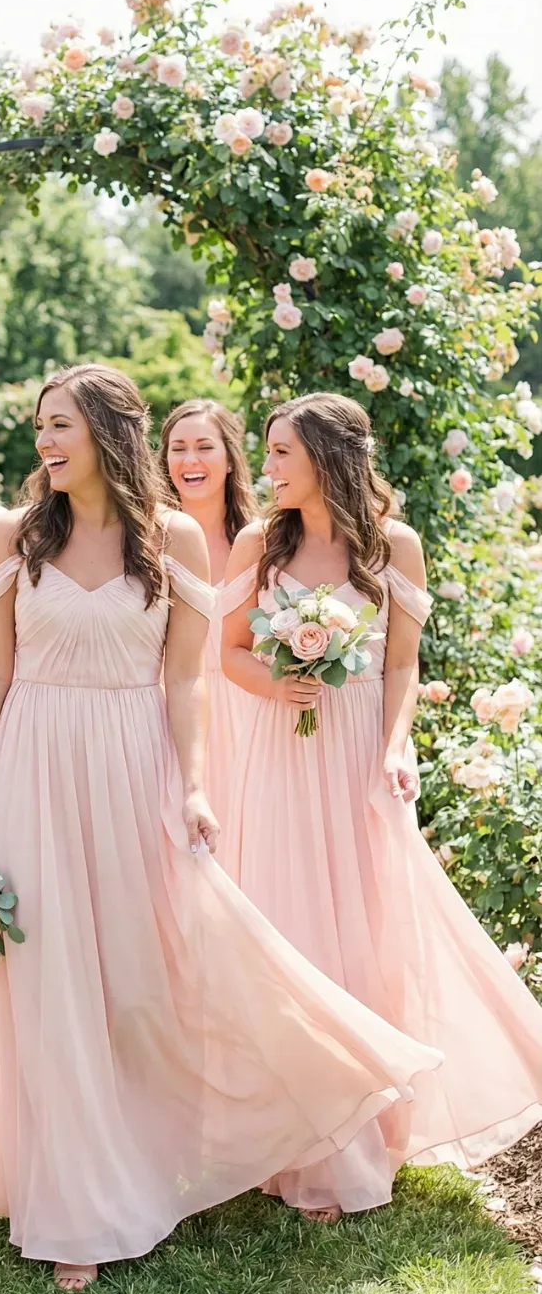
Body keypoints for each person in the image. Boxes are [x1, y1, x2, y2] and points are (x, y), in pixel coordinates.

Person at [0, 363, 441, 1292]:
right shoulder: (16, 534)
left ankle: (174, 1153)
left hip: (137, 765)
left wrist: (195, 787)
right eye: (41, 428)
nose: (45, 443)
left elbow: (187, 679)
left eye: (62, 428)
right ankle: (70, 1208)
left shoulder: (172, 539)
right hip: (35, 763)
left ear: (108, 434)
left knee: (137, 987)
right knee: (50, 986)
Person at [221, 391, 542, 1222]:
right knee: (293, 924)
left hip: (360, 746)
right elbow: (223, 653)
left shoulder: (395, 544)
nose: (271, 468)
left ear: (329, 456)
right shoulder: (260, 544)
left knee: (368, 931)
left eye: (284, 453)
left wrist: (395, 748)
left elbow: (402, 665)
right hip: (282, 753)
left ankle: (363, 1136)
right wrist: (275, 679)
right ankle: (294, 1136)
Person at [159, 399, 257, 832]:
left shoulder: (264, 542)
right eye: (177, 449)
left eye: (204, 447)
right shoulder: (147, 542)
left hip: (249, 714)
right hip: (172, 714)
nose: (190, 460)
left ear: (230, 459)